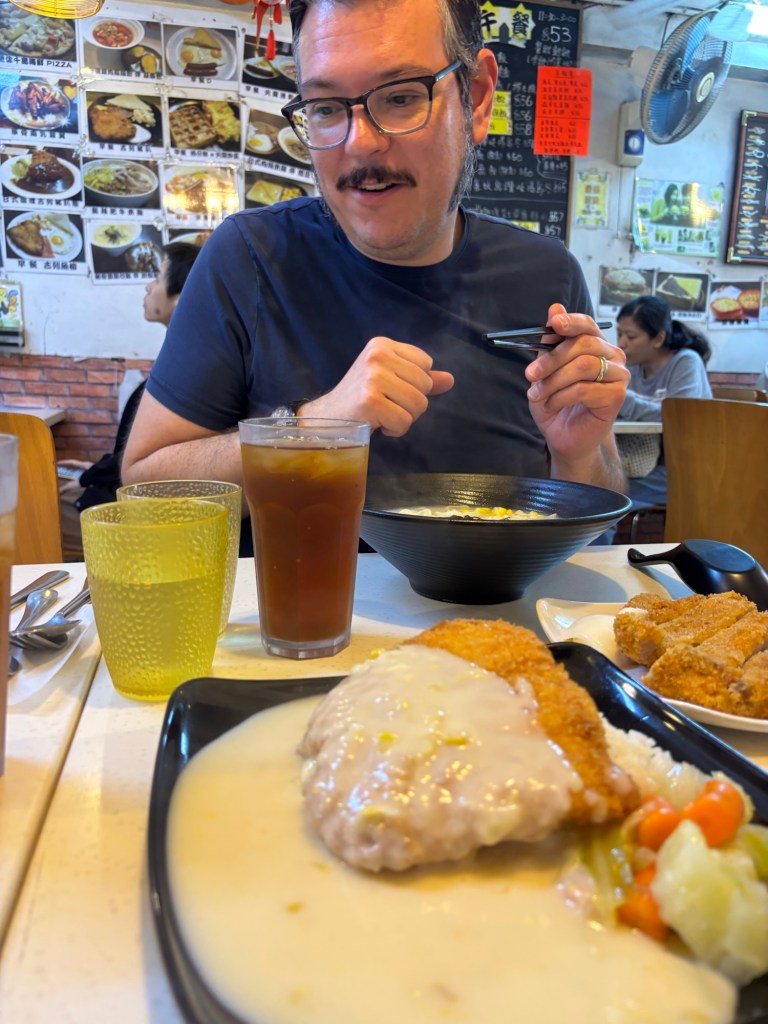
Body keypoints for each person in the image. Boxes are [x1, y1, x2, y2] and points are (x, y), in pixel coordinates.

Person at [122, 0, 629, 524]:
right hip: (296, 579)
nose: (361, 144)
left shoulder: (547, 274)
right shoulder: (249, 256)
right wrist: (312, 431)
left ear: (477, 98)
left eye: (401, 97)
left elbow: (597, 510)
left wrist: (578, 455)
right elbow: (146, 486)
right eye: (325, 108)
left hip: (503, 582)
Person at [58, 242, 202, 557]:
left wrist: (92, 479)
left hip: (140, 518)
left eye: (158, 278)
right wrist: (96, 469)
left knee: (36, 505)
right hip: (125, 493)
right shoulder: (181, 358)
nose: (148, 287)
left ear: (181, 298)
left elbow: (161, 469)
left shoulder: (189, 370)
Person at [615, 293, 712, 512]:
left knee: (608, 493)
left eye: (631, 336)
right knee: (599, 484)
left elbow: (680, 416)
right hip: (644, 463)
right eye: (619, 333)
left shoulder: (686, 361)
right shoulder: (633, 367)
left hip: (686, 468)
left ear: (658, 338)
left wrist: (621, 399)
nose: (621, 343)